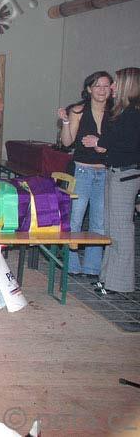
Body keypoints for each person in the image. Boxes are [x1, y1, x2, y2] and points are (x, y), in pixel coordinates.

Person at [84, 67, 140, 295]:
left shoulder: (133, 114)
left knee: (121, 231)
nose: (112, 87)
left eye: (116, 82)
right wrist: (102, 144)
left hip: (126, 175)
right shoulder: (124, 111)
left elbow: (128, 145)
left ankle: (119, 283)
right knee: (111, 229)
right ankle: (107, 278)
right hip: (116, 172)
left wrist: (101, 143)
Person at [57, 71, 112, 279]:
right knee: (76, 219)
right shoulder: (78, 110)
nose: (102, 90)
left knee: (99, 222)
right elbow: (67, 142)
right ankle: (71, 265)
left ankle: (92, 268)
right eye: (97, 86)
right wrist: (65, 122)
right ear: (89, 89)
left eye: (106, 86)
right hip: (82, 171)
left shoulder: (115, 113)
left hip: (105, 172)